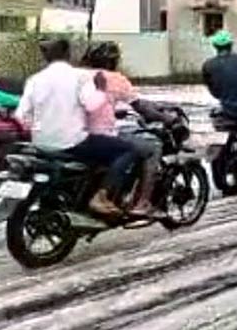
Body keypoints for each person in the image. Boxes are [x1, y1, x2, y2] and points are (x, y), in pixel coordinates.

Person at [16, 38, 136, 216]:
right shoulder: (79, 77)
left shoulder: (35, 79)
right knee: (128, 150)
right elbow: (92, 106)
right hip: (72, 142)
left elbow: (21, 115)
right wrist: (101, 91)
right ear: (67, 54)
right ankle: (101, 196)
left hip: (40, 143)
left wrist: (41, 128)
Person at [82, 42, 166, 216]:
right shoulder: (116, 79)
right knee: (151, 148)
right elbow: (141, 108)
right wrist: (167, 117)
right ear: (113, 61)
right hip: (98, 135)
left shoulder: (77, 76)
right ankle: (142, 203)